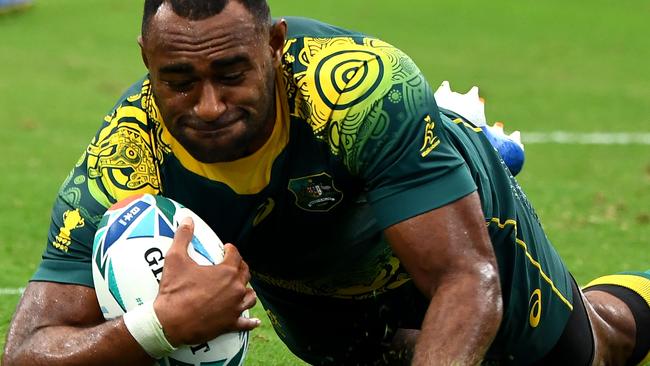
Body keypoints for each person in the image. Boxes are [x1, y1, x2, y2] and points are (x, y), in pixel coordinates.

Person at [3, 0, 649, 365]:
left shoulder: (362, 90)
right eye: (179, 81)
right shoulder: (124, 158)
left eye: (231, 74)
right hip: (313, 289)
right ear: (147, 61)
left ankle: (454, 144)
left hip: (441, 242)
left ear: (276, 45)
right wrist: (159, 324)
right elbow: (28, 350)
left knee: (593, 351)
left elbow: (464, 278)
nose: (206, 106)